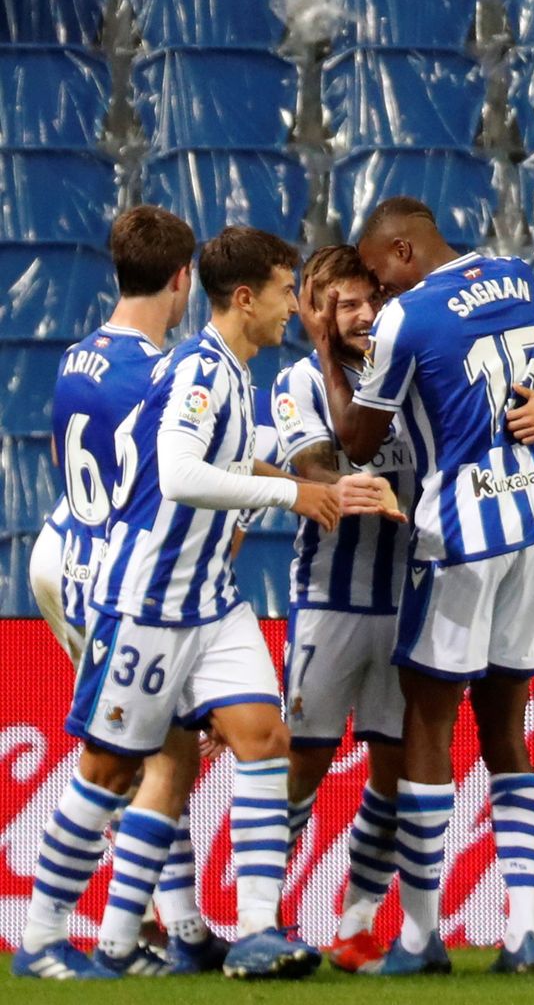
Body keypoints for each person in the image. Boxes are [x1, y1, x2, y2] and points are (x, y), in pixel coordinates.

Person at [16, 226, 388, 981]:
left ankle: (255, 928)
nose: (296, 307)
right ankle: (43, 939)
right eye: (287, 291)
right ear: (244, 298)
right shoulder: (197, 371)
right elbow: (182, 474)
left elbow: (216, 461)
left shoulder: (227, 371)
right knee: (108, 771)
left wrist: (314, 483)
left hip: (210, 603)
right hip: (147, 600)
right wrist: (294, 491)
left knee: (263, 736)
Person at [315, 197, 534, 976]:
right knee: (509, 730)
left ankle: (422, 936)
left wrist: (329, 349)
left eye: (377, 275)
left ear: (402, 250)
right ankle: (525, 932)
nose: (377, 294)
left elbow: (357, 441)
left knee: (428, 728)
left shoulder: (407, 317)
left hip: (462, 531)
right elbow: (532, 403)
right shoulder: (518, 276)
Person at [22, 207, 229, 977]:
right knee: (131, 755)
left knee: (160, 749)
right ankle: (75, 931)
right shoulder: (161, 376)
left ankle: (175, 925)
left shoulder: (79, 357)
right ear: (182, 280)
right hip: (114, 576)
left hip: (61, 549)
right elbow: (172, 493)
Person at [270, 244, 412, 974]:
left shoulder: (410, 376)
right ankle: (263, 914)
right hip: (329, 603)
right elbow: (319, 470)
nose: (361, 315)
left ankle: (357, 923)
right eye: (343, 303)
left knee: (393, 766)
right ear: (315, 310)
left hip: (408, 605)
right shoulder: (296, 379)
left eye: (370, 301)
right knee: (306, 761)